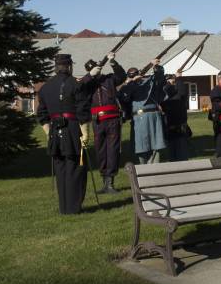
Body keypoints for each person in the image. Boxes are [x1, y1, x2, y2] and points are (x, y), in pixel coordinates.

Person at [37, 54, 101, 215]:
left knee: (60, 169)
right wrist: (85, 134)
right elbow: (82, 110)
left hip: (53, 131)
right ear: (70, 66)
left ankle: (64, 207)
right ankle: (72, 208)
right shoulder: (75, 84)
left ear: (56, 67)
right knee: (74, 167)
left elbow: (42, 114)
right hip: (73, 130)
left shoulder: (45, 87)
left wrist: (48, 133)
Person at [84, 52, 126, 193]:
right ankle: (104, 180)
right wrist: (90, 75)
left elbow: (122, 76)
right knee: (100, 150)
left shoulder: (109, 79)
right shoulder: (87, 83)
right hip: (97, 121)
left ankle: (110, 183)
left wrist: (113, 62)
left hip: (113, 120)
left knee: (113, 150)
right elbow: (80, 88)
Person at [118, 59, 167, 164]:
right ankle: (142, 168)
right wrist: (132, 82)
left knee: (156, 144)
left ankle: (156, 167)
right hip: (139, 118)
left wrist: (155, 66)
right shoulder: (127, 87)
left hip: (154, 116)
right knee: (141, 146)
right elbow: (123, 97)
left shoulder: (149, 81)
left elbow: (160, 78)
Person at [162, 72, 190, 161]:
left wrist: (177, 80)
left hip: (178, 128)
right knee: (175, 156)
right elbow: (180, 91)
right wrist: (178, 78)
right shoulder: (166, 93)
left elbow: (181, 92)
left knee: (180, 156)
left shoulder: (176, 94)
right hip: (171, 128)